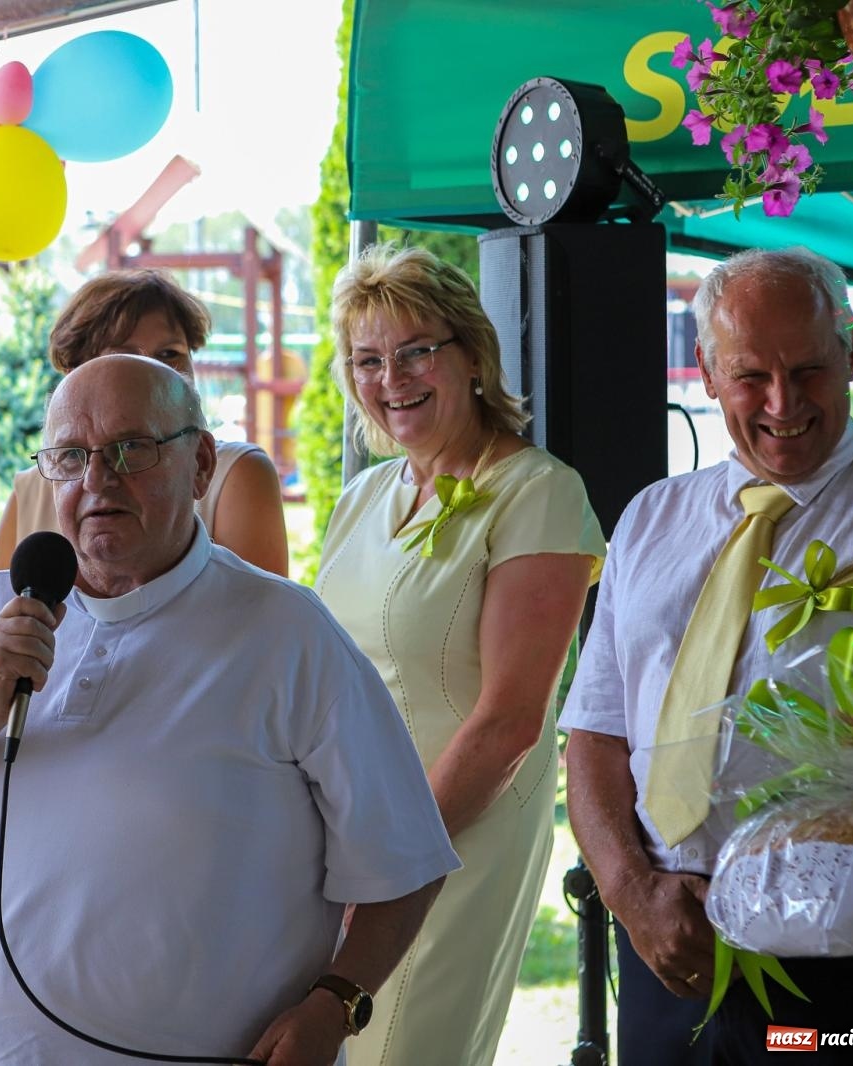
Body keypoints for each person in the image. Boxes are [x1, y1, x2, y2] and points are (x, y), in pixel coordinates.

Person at [0, 354, 460, 1065]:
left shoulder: (287, 633)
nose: (97, 481)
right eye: (70, 457)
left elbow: (406, 861)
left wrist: (335, 1004)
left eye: (130, 449)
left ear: (200, 464)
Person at [561, 248, 853, 1064]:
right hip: (665, 947)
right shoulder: (650, 520)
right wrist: (632, 894)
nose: (782, 403)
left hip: (851, 962)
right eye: (750, 376)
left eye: (808, 370)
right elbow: (595, 734)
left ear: (852, 354)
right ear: (705, 371)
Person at [313, 243, 605, 1066]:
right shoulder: (363, 496)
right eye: (368, 360)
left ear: (472, 354)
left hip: (453, 836)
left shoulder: (539, 492)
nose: (391, 378)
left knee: (404, 1048)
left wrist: (390, 863)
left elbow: (511, 722)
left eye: (415, 352)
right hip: (348, 837)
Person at [0, 268, 290, 577]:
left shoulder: (236, 474)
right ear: (74, 375)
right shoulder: (29, 493)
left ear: (203, 462)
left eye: (170, 354)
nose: (157, 370)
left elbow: (256, 603)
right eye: (127, 357)